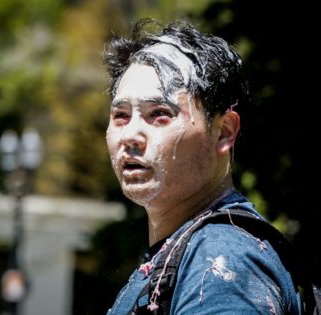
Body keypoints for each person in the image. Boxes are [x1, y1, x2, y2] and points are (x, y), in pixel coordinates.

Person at [103, 19, 302, 314]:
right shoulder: (187, 252)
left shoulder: (222, 261)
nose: (130, 135)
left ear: (223, 132)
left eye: (159, 113)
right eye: (121, 115)